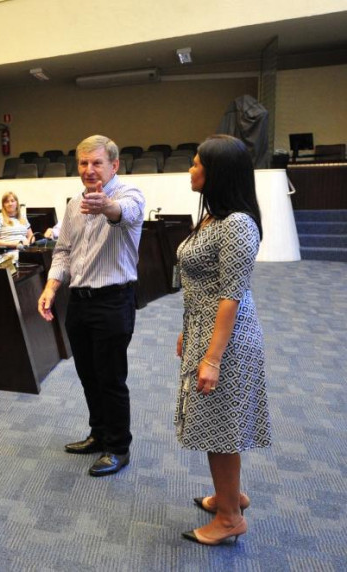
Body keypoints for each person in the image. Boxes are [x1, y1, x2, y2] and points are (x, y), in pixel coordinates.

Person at [174, 135, 270, 545]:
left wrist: (212, 358)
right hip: (205, 330)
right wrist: (187, 329)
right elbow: (202, 284)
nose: (191, 169)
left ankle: (230, 518)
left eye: (197, 163)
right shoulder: (214, 218)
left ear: (218, 173)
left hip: (227, 341)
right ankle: (231, 495)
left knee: (219, 427)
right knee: (218, 423)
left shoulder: (237, 225)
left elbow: (230, 294)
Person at [37, 134, 144, 477]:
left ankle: (118, 447)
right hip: (79, 303)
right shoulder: (73, 204)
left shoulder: (129, 195)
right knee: (88, 375)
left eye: (97, 162)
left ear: (114, 165)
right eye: (83, 163)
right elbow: (63, 251)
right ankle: (98, 434)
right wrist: (52, 286)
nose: (89, 170)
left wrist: (105, 206)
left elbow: (123, 213)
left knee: (111, 377)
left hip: (113, 301)